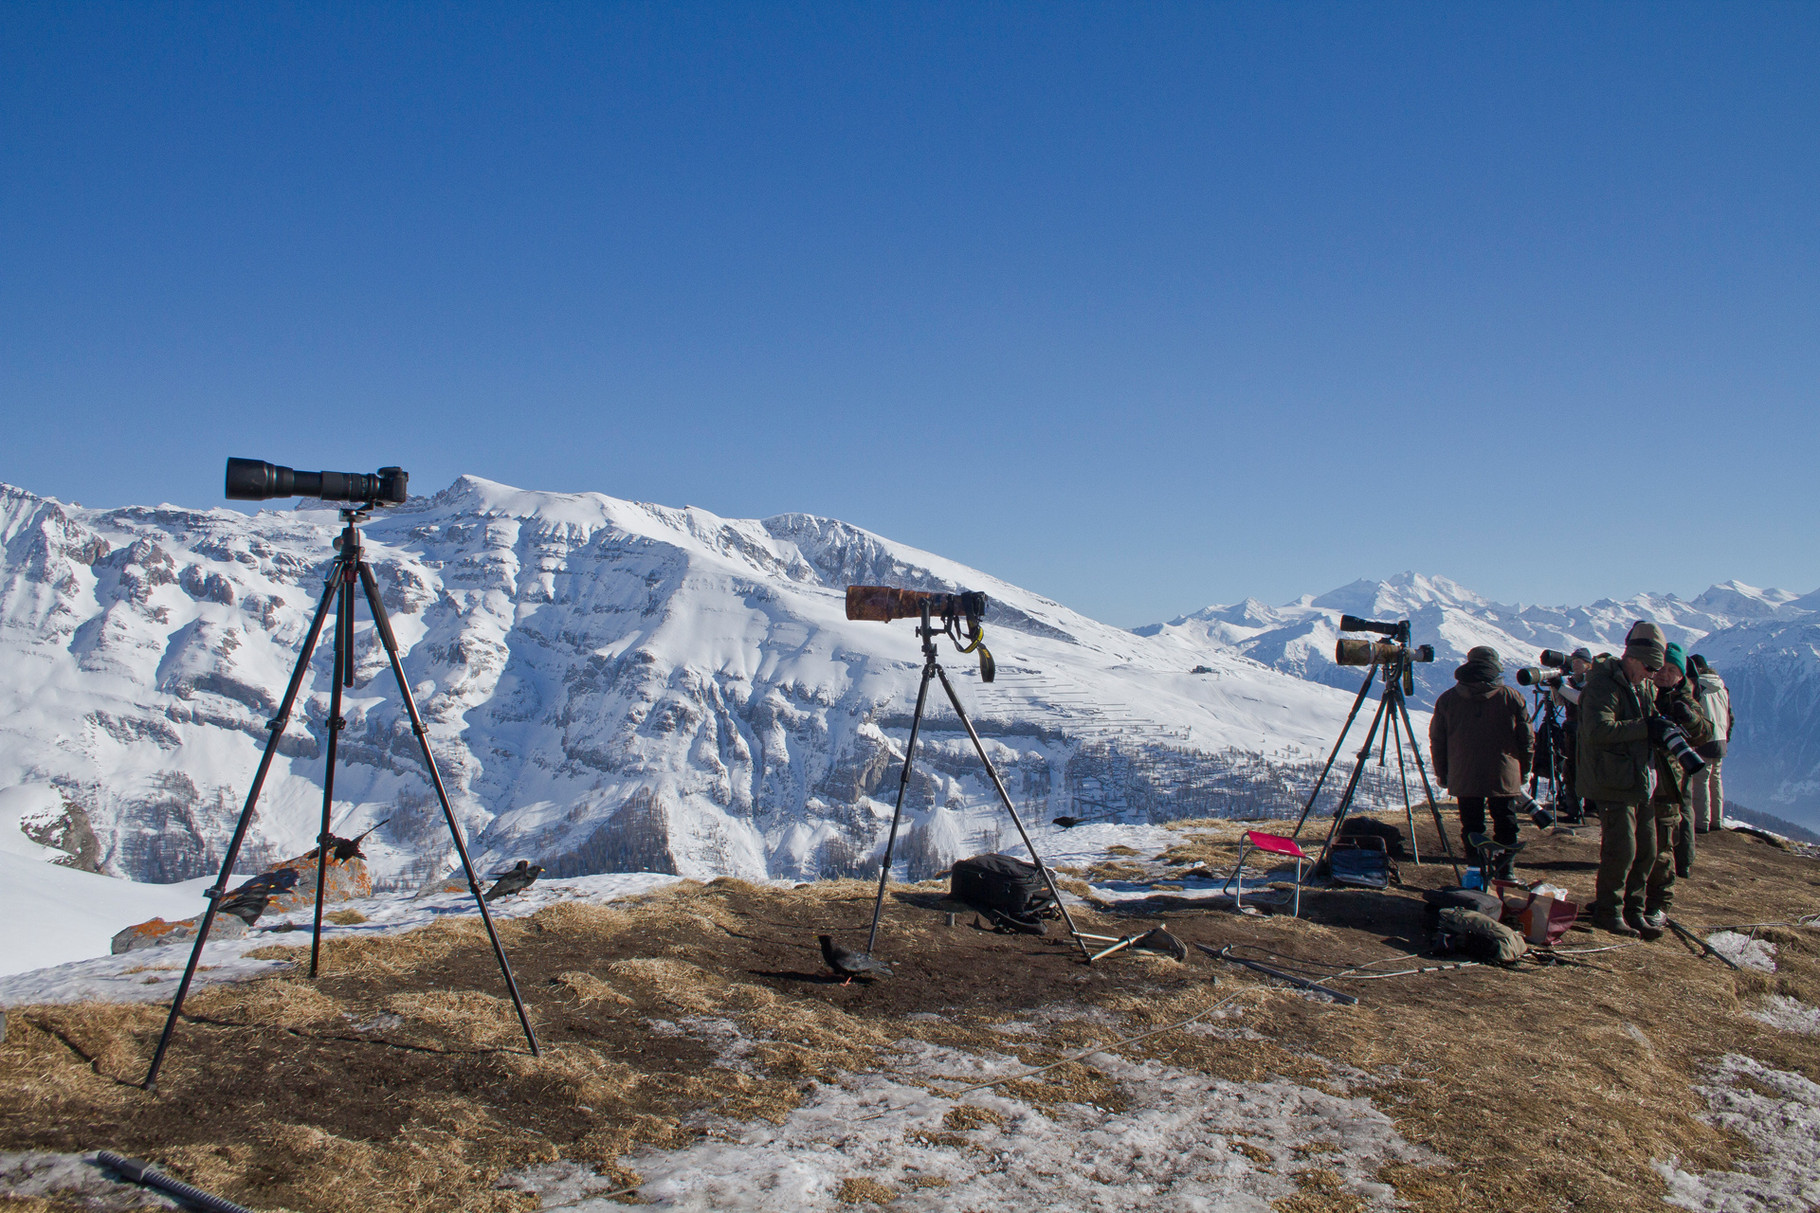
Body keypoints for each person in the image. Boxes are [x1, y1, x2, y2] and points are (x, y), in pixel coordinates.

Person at [1580, 622, 1665, 937]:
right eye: (1649, 666)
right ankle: (1609, 911)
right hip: (1612, 779)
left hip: (1639, 778)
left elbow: (1646, 722)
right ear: (1632, 657)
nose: (1652, 673)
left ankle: (1634, 910)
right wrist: (1647, 727)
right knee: (1622, 849)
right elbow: (1597, 731)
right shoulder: (1604, 685)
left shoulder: (1641, 685)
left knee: (1647, 849)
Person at [1430, 646, 1532, 879]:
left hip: (1464, 772)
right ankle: (1505, 869)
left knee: (1472, 824)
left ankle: (1475, 869)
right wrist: (1524, 770)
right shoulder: (1511, 696)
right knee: (1506, 821)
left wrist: (1443, 773)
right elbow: (1526, 739)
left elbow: (1438, 740)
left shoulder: (1447, 698)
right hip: (1503, 771)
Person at [1649, 644, 1713, 904]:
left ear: (1680, 674)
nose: (1664, 673)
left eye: (1671, 669)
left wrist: (1689, 718)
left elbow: (1704, 731)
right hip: (1643, 776)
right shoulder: (1644, 692)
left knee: (1669, 831)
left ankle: (1667, 889)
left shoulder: (1684, 699)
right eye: (1661, 668)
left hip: (1672, 778)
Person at [1549, 647, 1596, 821]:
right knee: (1570, 770)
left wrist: (1560, 686)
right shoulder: (1571, 683)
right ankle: (1574, 809)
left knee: (1587, 769)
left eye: (1579, 662)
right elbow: (1560, 702)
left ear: (1588, 665)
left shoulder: (1592, 683)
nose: (1575, 665)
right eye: (1574, 661)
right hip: (1572, 731)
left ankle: (1591, 808)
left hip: (1587, 732)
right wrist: (1555, 687)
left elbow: (1580, 699)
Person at [1688, 654, 1733, 832]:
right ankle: (1717, 821)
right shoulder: (1722, 687)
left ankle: (1701, 823)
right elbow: (1731, 715)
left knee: (1701, 780)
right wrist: (1726, 736)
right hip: (1721, 737)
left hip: (1704, 736)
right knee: (1716, 780)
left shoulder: (1697, 686)